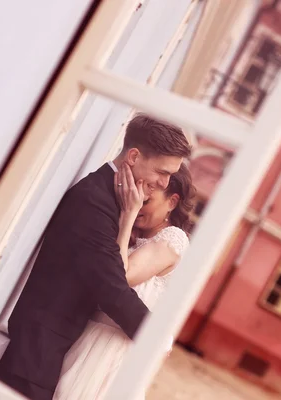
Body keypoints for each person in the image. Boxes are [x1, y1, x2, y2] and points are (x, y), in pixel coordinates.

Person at [0, 114, 191, 400]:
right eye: (162, 172)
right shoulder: (95, 203)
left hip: (59, 348)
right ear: (133, 156)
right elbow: (111, 287)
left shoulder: (111, 200)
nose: (163, 183)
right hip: (38, 348)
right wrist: (154, 337)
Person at [54, 162, 195, 400]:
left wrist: (128, 215)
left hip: (112, 348)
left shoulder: (174, 238)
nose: (138, 205)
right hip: (89, 337)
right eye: (135, 197)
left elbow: (122, 277)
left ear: (172, 202)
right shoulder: (134, 237)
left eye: (146, 202)